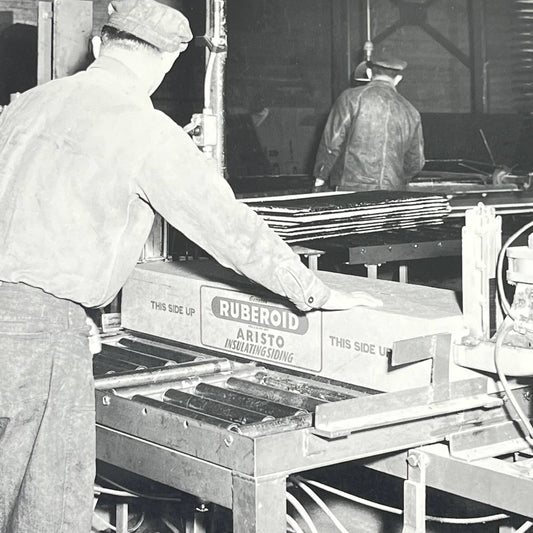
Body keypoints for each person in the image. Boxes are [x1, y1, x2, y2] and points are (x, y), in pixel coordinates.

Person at [0, 1, 381, 531]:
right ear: (169, 62)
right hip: (39, 335)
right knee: (47, 503)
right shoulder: (145, 130)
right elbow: (228, 227)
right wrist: (313, 291)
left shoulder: (25, 105)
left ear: (97, 46)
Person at [312, 56, 425, 192]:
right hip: (393, 191)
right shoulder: (411, 111)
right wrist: (396, 179)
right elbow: (416, 162)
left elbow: (332, 143)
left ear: (369, 73)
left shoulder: (350, 98)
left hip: (351, 188)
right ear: (398, 80)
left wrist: (320, 178)